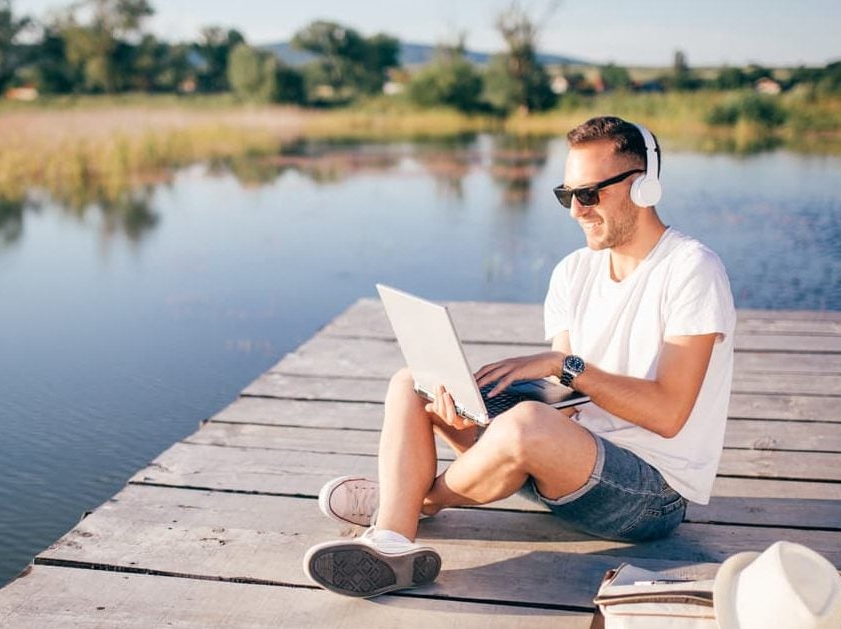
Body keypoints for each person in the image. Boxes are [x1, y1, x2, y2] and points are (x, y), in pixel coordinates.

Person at [302, 116, 736, 598]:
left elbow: (668, 413)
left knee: (526, 424)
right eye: (566, 195)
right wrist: (473, 417)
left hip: (648, 495)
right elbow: (570, 398)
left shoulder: (691, 269)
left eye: (589, 194)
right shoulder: (574, 271)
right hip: (562, 459)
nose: (575, 211)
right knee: (414, 381)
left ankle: (411, 500)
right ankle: (393, 543)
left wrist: (558, 365)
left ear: (642, 187)